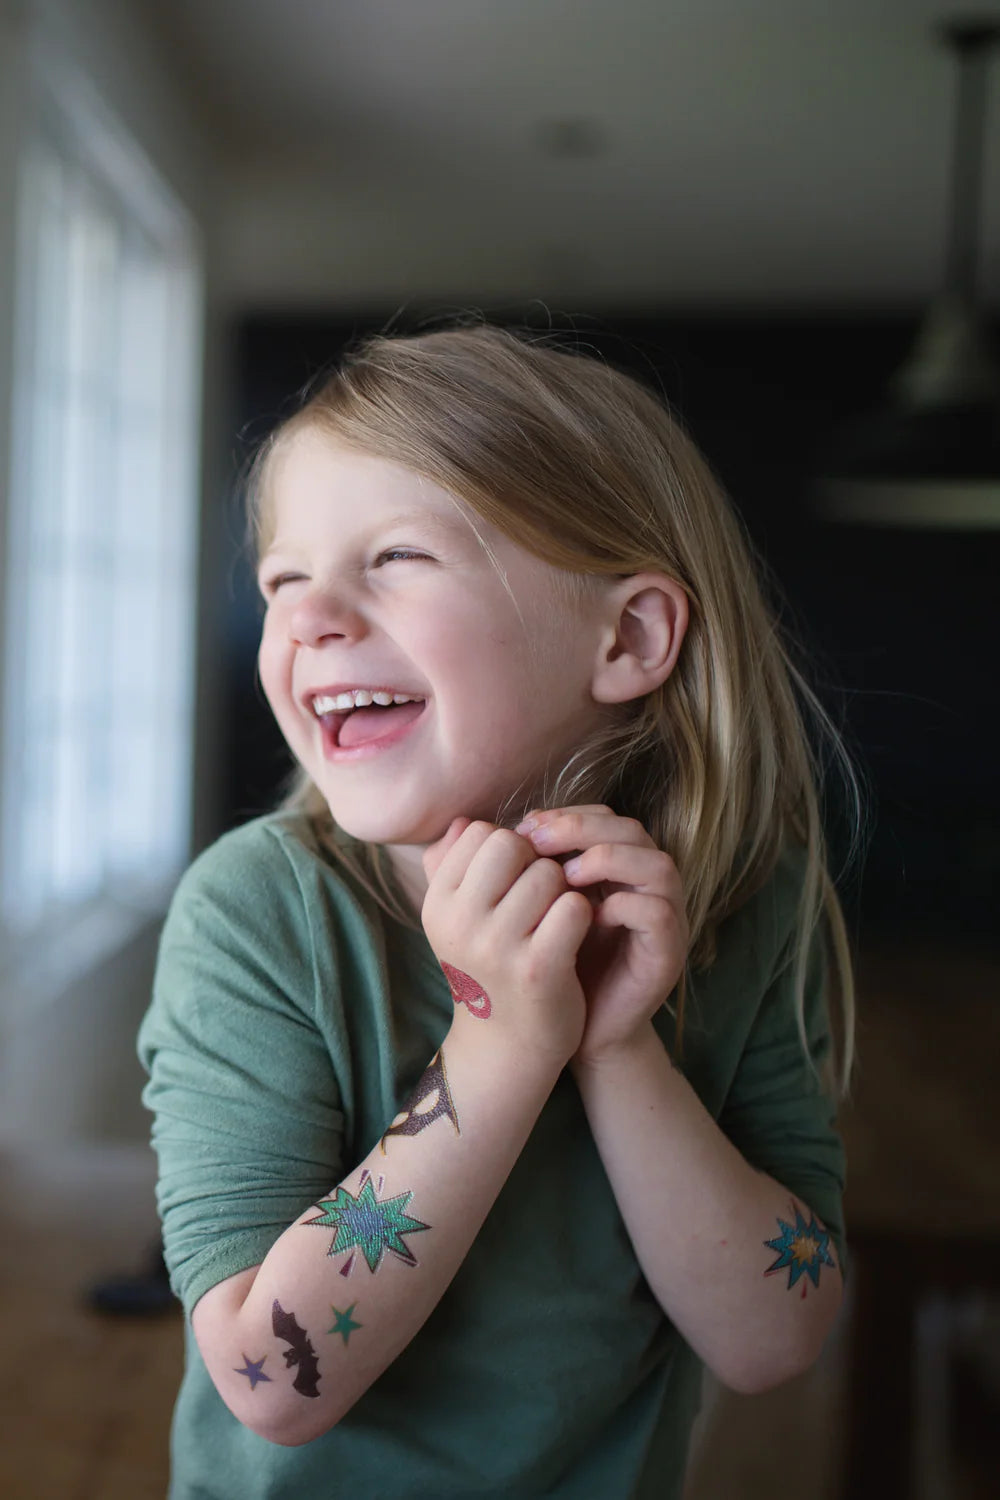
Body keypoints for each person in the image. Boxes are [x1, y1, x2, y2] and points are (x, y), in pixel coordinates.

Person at [138, 321, 858, 1500]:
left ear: (627, 636)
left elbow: (774, 1340)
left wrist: (616, 1045)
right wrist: (501, 1042)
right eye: (282, 578)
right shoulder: (255, 914)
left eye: (396, 555)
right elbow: (271, 1380)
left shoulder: (745, 903)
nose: (310, 615)